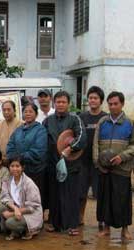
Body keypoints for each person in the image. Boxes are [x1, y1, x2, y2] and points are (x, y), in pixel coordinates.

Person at [93, 91, 134, 240]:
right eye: (110, 104)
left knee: (122, 199)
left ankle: (125, 229)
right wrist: (98, 163)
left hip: (122, 168)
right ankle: (106, 228)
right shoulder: (102, 122)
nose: (113, 107)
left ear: (122, 104)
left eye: (116, 104)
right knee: (105, 199)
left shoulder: (131, 123)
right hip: (104, 168)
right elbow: (95, 144)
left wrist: (122, 157)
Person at [43, 91, 87, 236]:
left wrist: (70, 148)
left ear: (68, 104)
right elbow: (43, 138)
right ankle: (54, 223)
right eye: (58, 102)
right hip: (53, 163)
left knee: (70, 195)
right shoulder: (48, 120)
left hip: (71, 164)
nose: (60, 104)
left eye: (63, 102)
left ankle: (72, 225)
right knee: (54, 194)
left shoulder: (75, 120)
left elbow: (82, 138)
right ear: (54, 103)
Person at [7, 102, 47, 217]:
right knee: (19, 197)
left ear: (36, 114)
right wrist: (14, 159)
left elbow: (39, 151)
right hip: (19, 171)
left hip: (35, 170)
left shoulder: (40, 130)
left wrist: (20, 158)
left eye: (31, 112)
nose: (28, 114)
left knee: (33, 198)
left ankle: (35, 221)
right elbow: (10, 146)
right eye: (25, 112)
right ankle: (20, 219)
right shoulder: (18, 130)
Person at [79, 86, 108, 228]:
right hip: (83, 161)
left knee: (100, 193)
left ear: (101, 100)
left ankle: (101, 220)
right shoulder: (81, 117)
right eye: (90, 98)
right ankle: (80, 218)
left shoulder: (106, 118)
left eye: (95, 98)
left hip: (99, 162)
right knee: (81, 192)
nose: (93, 100)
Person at [0, 157, 43, 240]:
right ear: (9, 167)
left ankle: (30, 230)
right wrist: (15, 209)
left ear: (23, 168)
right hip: (17, 209)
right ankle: (15, 231)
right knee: (1, 208)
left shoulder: (29, 183)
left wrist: (13, 213)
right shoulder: (6, 180)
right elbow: (5, 197)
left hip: (30, 213)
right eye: (12, 166)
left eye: (17, 166)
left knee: (9, 223)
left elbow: (32, 207)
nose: (14, 169)